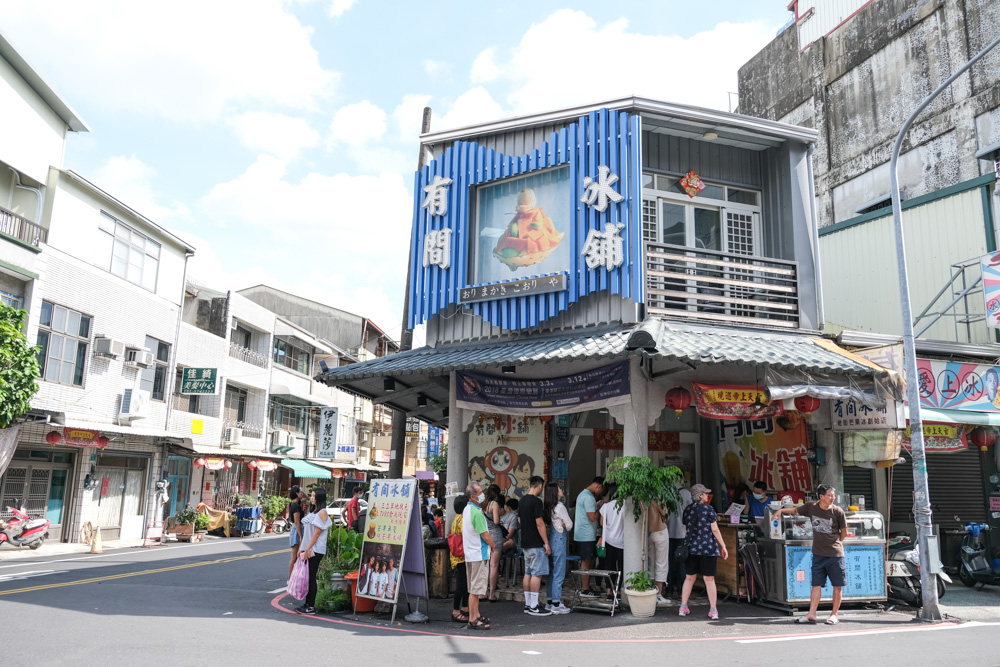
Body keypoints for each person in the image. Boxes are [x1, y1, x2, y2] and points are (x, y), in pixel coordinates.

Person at [774, 484, 848, 625]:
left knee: (837, 585)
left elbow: (844, 532)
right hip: (818, 553)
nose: (833, 498)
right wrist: (780, 511)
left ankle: (834, 615)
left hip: (835, 554)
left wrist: (835, 543)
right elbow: (796, 510)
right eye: (830, 495)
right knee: (816, 584)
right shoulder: (811, 507)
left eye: (833, 495)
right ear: (821, 496)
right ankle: (812, 613)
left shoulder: (838, 511)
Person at [679, 483, 728, 620]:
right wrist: (723, 546)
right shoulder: (709, 509)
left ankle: (683, 607)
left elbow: (685, 530)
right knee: (709, 579)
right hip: (708, 549)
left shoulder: (687, 510)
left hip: (692, 549)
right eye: (705, 493)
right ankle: (713, 610)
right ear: (700, 495)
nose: (707, 495)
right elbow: (715, 529)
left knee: (689, 578)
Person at [463, 482, 496, 630]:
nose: (483, 495)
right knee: (476, 589)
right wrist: (493, 545)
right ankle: (473, 618)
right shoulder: (476, 512)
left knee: (473, 589)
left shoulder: (468, 509)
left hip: (471, 553)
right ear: (472, 496)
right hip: (479, 554)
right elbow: (485, 535)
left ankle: (476, 615)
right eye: (480, 492)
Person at [518, 475, 552, 616]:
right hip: (536, 543)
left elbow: (519, 519)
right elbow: (540, 523)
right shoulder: (537, 502)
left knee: (528, 573)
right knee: (537, 575)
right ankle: (534, 606)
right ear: (540, 486)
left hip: (525, 542)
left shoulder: (522, 501)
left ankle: (528, 604)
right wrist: (546, 543)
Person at [296, 487, 332, 615]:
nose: (311, 498)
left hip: (315, 550)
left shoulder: (322, 512)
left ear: (319, 498)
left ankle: (310, 606)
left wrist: (306, 549)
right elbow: (307, 533)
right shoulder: (314, 511)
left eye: (313, 496)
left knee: (311, 577)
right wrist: (301, 548)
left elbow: (316, 534)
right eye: (311, 495)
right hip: (308, 549)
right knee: (307, 577)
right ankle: (307, 603)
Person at [574, 476, 605, 597]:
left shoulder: (583, 494)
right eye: (601, 491)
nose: (600, 493)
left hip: (584, 533)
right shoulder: (588, 497)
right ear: (598, 486)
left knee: (588, 560)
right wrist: (600, 509)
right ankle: (585, 589)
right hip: (586, 534)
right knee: (587, 561)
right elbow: (592, 517)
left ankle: (586, 587)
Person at [544, 482, 573, 614]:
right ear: (556, 492)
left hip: (551, 539)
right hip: (559, 539)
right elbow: (569, 525)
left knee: (551, 573)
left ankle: (550, 601)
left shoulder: (548, 506)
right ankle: (556, 603)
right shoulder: (560, 507)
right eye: (559, 489)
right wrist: (564, 523)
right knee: (559, 572)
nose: (561, 490)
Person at [598, 483, 625, 603]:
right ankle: (619, 591)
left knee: (609, 566)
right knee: (622, 567)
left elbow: (602, 523)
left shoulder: (606, 506)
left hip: (608, 540)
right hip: (623, 541)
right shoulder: (625, 506)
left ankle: (609, 591)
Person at [666, 484, 692, 598]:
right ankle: (682, 590)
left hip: (668, 532)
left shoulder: (666, 492)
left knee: (669, 562)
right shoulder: (686, 493)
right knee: (682, 562)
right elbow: (690, 511)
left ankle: (669, 589)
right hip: (682, 532)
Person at [450, 494, 471, 623]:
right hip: (462, 556)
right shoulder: (463, 520)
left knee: (464, 583)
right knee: (462, 584)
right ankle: (456, 611)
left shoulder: (456, 518)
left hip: (457, 556)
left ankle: (464, 607)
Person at [482, 484, 504, 602]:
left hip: (486, 536)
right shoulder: (494, 504)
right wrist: (500, 514)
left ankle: (483, 592)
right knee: (494, 565)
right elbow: (496, 521)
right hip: (495, 535)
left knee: (485, 564)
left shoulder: (483, 504)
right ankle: (491, 594)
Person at [647, 498, 671, 606]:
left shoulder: (642, 497)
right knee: (661, 563)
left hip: (648, 532)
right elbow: (666, 515)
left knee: (651, 562)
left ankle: (651, 591)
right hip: (660, 530)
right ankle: (658, 595)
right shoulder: (658, 497)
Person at [287, 485, 304, 580]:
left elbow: (305, 497)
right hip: (297, 529)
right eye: (300, 492)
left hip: (296, 528)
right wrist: (300, 535)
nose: (302, 493)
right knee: (294, 557)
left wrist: (298, 489)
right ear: (296, 494)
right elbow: (297, 522)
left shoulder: (294, 503)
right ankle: (290, 579)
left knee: (296, 557)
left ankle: (293, 578)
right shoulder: (296, 506)